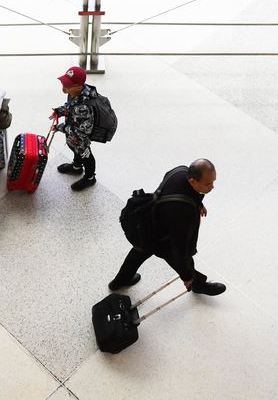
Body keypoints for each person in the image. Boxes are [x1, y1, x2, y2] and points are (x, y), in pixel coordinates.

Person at [108, 159, 227, 296]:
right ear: (193, 181)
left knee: (138, 253)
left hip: (146, 223)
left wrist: (198, 204)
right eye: (208, 184)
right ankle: (197, 284)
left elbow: (184, 192)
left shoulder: (180, 171)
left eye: (213, 182)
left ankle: (118, 282)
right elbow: (179, 250)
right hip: (160, 237)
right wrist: (186, 277)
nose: (212, 187)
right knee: (184, 259)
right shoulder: (182, 212)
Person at [51, 66, 97, 191]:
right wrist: (58, 111)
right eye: (64, 83)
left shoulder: (84, 107)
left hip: (81, 136)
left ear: (78, 87)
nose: (63, 87)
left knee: (85, 155)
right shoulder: (75, 93)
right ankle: (76, 168)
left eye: (67, 85)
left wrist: (59, 127)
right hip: (73, 135)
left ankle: (90, 178)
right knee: (75, 149)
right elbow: (70, 106)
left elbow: (81, 130)